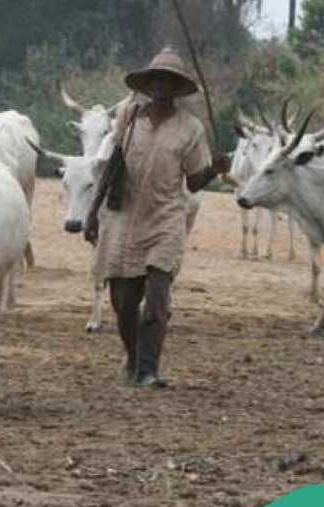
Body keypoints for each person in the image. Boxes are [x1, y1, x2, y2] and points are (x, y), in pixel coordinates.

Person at [84, 47, 230, 388]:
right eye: (157, 79)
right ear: (148, 84)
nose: (162, 85)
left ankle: (149, 369)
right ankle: (134, 358)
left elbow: (193, 181)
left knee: (158, 298)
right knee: (122, 300)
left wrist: (214, 169)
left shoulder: (190, 128)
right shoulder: (129, 116)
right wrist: (93, 211)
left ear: (178, 87)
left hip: (165, 217)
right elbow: (112, 166)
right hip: (122, 216)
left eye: (169, 80)